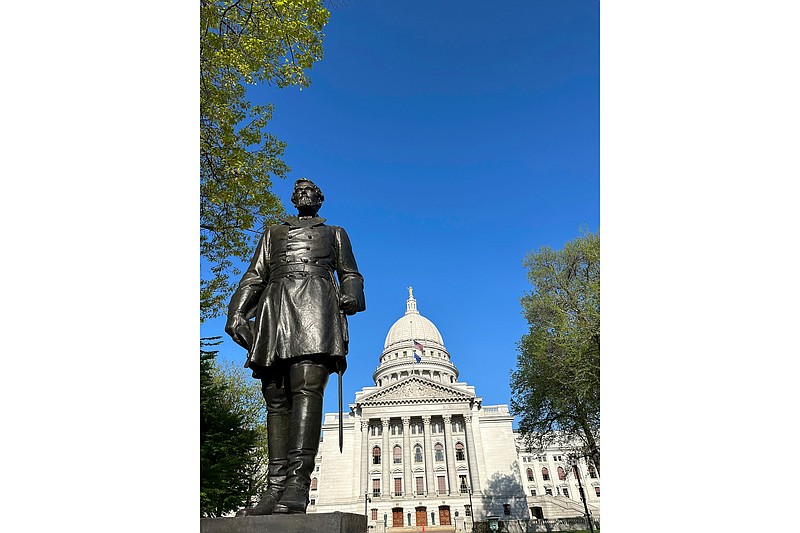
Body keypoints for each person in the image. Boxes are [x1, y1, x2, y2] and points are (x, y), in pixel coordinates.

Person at [225, 178, 365, 514]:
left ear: (320, 200)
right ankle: (274, 488)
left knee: (306, 388)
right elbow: (255, 275)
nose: (303, 194)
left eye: (310, 191)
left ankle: (298, 486)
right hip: (276, 310)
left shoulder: (335, 233)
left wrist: (352, 297)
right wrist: (237, 311)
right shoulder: (273, 232)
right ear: (292, 198)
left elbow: (350, 273)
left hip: (316, 308)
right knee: (275, 396)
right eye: (298, 191)